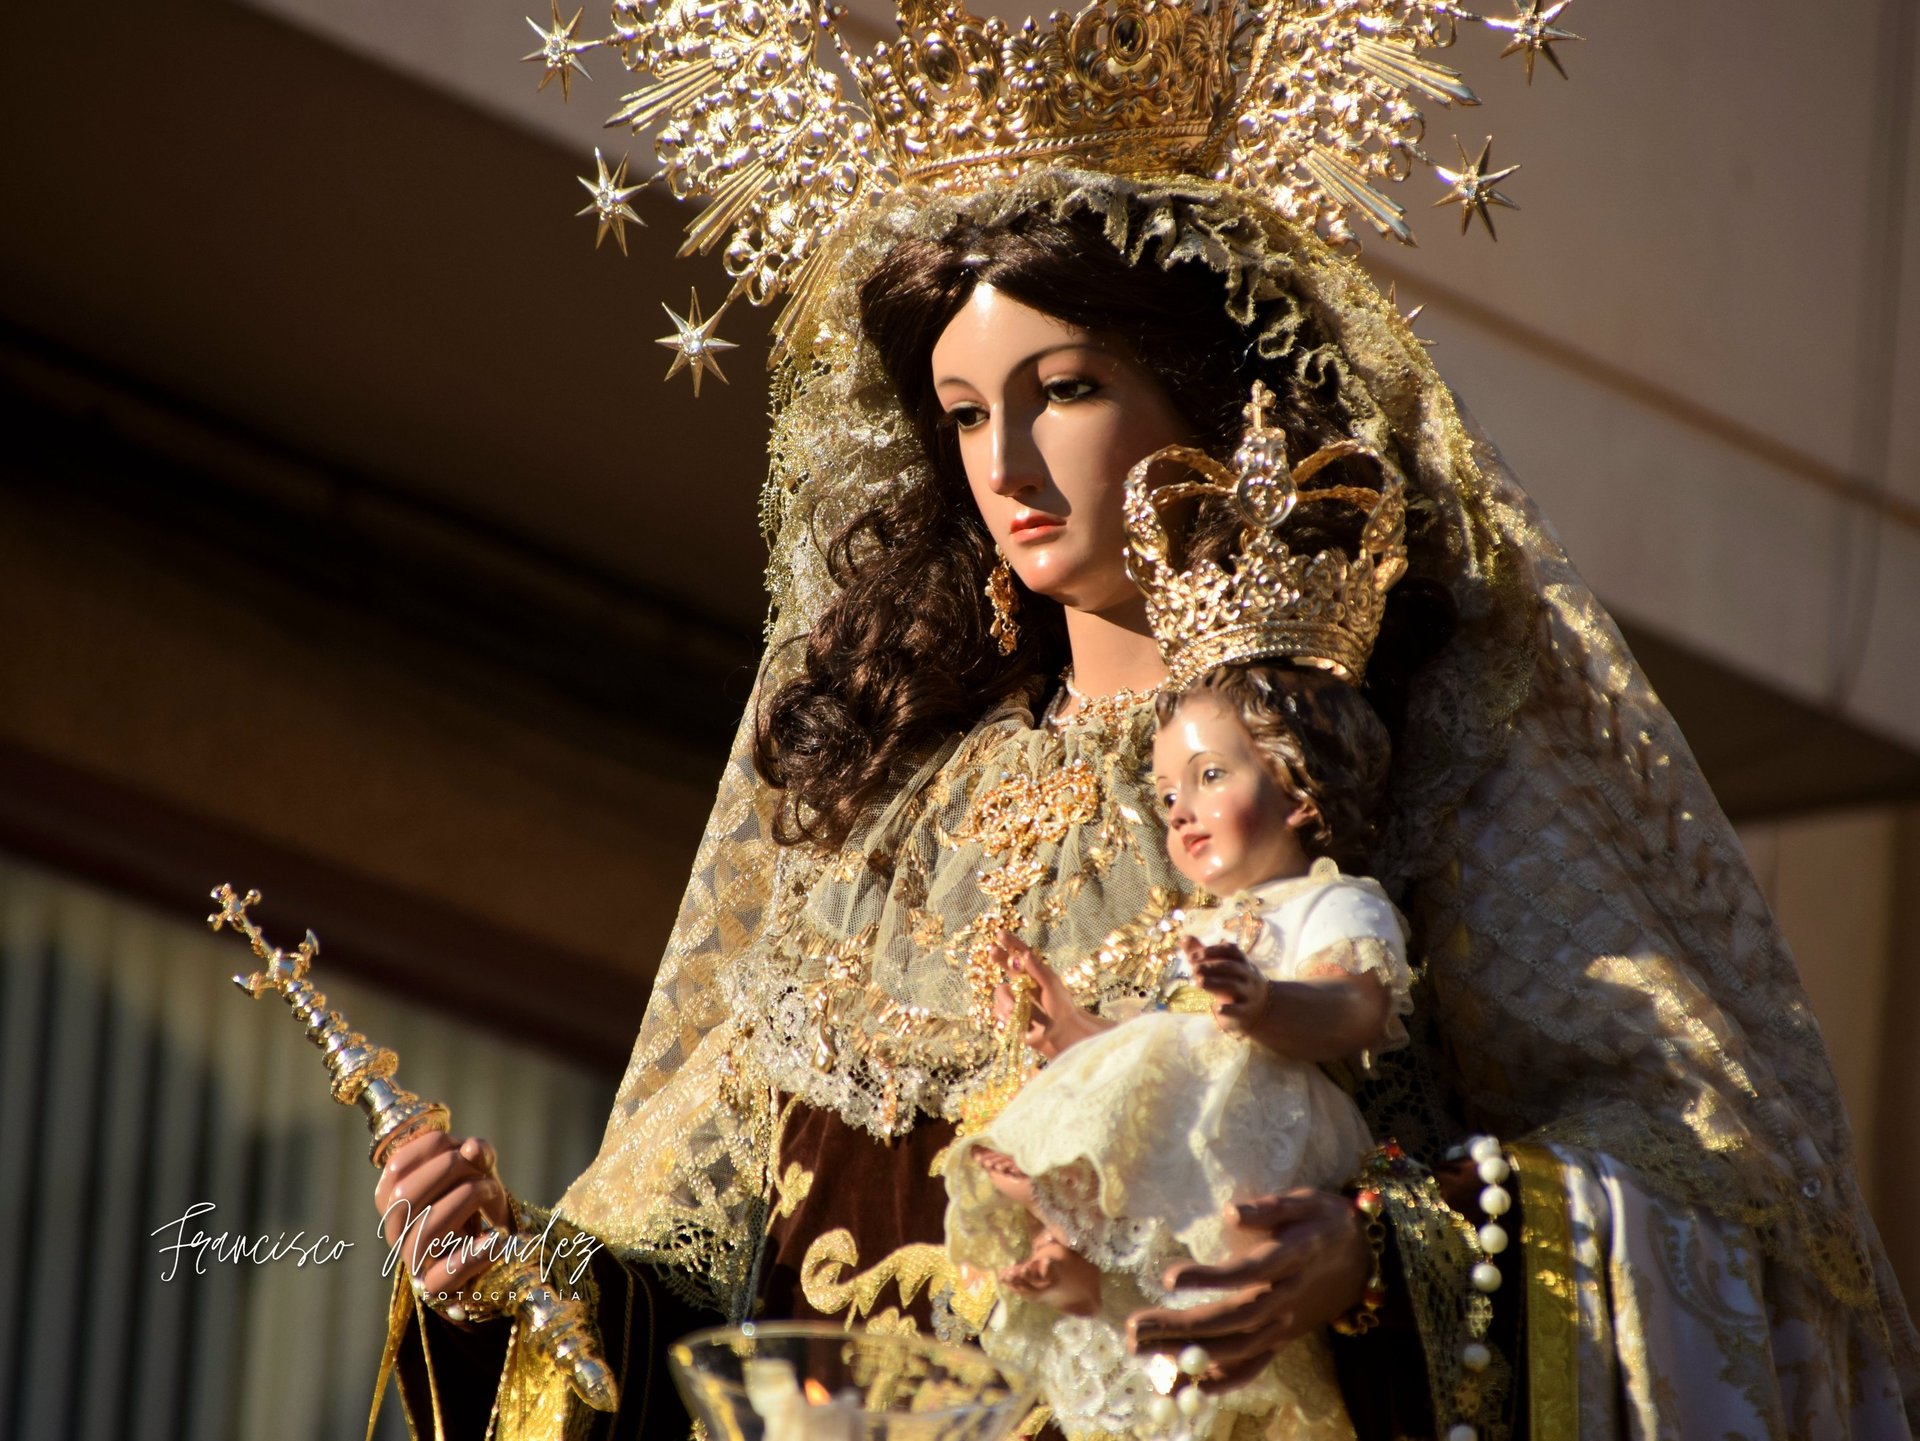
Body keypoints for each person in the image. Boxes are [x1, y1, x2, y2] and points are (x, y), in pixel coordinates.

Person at [365, 5, 1920, 1436]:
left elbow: (1712, 1182)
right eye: (968, 412)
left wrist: (1380, 1260)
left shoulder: (1394, 753)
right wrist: (514, 1273)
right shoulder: (887, 809)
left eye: (1066, 388)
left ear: (1200, 394)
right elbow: (698, 1282)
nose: (1009, 466)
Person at [944, 658, 1416, 1440]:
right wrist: (1066, 1029)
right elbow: (1154, 1060)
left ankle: (1102, 1240)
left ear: (1300, 791)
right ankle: (1079, 1257)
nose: (1182, 813)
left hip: (1273, 1121)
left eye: (1209, 776)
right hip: (1201, 1118)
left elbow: (1356, 1007)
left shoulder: (1335, 900)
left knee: (1213, 1205)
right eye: (1168, 796)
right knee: (1132, 1145)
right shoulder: (1197, 930)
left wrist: (1269, 1002)